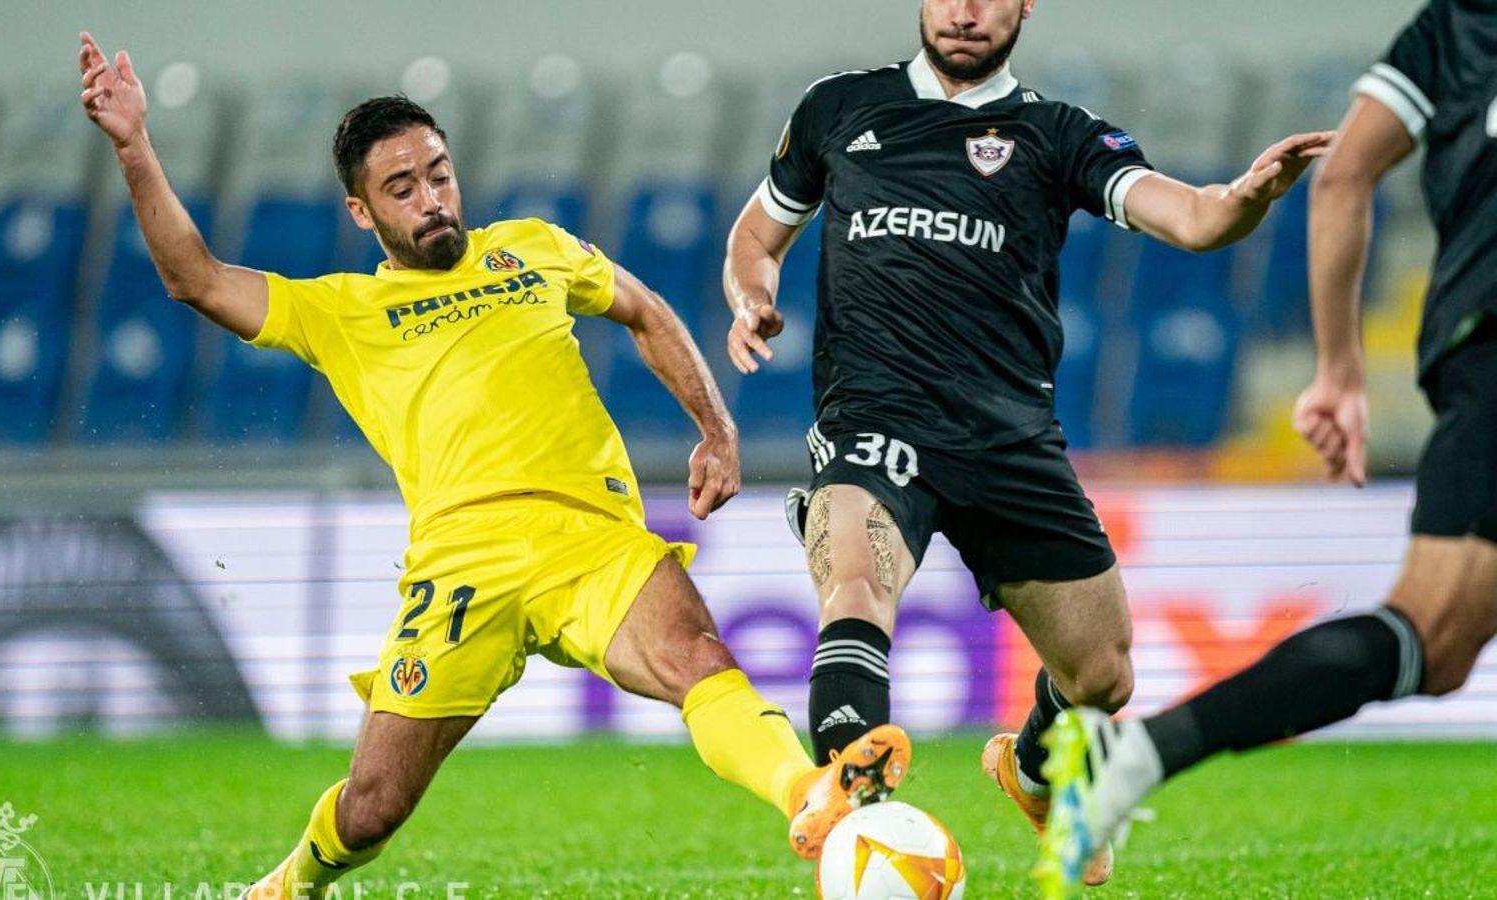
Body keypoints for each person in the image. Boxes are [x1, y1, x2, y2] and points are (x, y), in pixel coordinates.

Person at [76, 31, 913, 895]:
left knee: (701, 658)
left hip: (590, 538)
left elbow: (644, 308)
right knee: (371, 809)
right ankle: (293, 882)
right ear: (361, 212)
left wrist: (717, 428)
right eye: (401, 188)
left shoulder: (534, 248)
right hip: (462, 563)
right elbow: (196, 277)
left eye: (438, 173)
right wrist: (135, 145)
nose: (431, 198)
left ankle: (808, 790)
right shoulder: (340, 310)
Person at [722, 0, 1329, 887]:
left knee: (1104, 675)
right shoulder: (838, 109)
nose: (965, 11)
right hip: (873, 420)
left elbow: (1194, 219)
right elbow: (755, 235)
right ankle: (857, 802)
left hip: (1010, 439)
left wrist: (1241, 200)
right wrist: (753, 292)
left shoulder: (1058, 133)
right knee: (856, 578)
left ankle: (1033, 770)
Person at [1037, 1, 1497, 895]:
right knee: (1432, 636)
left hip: (1474, 345)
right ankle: (1134, 755)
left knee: (1434, 653)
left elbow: (1339, 177)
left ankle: (1134, 755)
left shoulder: (1457, 21)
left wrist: (1338, 370)